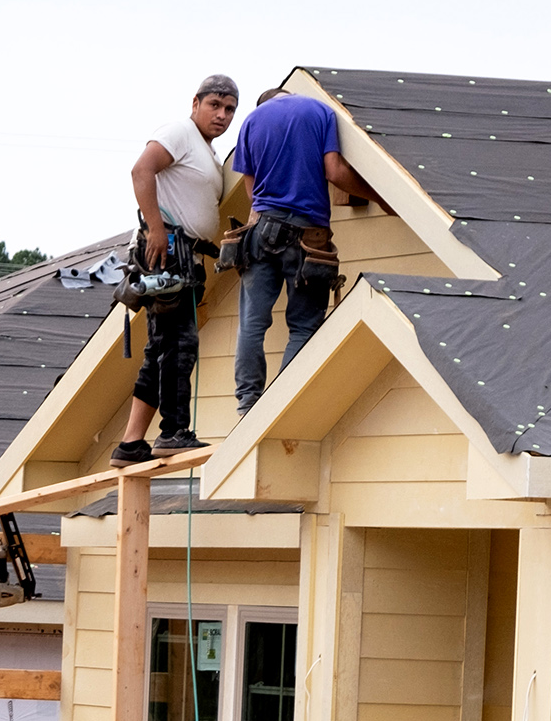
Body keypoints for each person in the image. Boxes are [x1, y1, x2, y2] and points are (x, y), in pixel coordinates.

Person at [225, 85, 382, 414]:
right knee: (304, 325)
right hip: (307, 234)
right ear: (289, 94)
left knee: (252, 322)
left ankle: (248, 404)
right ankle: (283, 403)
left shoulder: (252, 121)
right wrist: (379, 197)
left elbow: (251, 191)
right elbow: (335, 172)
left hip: (261, 230)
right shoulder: (318, 111)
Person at [109, 74, 240, 467]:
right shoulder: (179, 132)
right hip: (168, 249)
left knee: (161, 348)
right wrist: (157, 229)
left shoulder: (207, 152)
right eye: (214, 105)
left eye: (230, 109)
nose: (222, 115)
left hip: (185, 255)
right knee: (180, 345)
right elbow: (140, 171)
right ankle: (173, 432)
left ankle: (131, 443)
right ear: (195, 103)